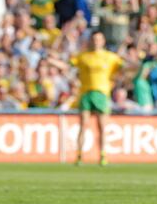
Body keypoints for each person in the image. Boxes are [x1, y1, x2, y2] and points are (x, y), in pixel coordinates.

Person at [49, 32, 123, 166]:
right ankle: (79, 155)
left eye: (99, 39)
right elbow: (67, 65)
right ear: (90, 41)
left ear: (103, 41)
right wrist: (53, 61)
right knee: (83, 125)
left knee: (102, 126)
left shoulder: (110, 57)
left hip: (101, 93)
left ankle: (103, 154)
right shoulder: (83, 56)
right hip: (86, 93)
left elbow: (123, 68)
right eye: (94, 39)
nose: (96, 42)